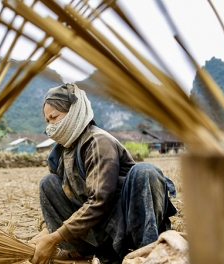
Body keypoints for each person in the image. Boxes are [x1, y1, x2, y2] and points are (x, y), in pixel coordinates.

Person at [30, 83, 177, 264]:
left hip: (125, 224)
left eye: (55, 118)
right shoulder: (59, 153)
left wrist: (53, 238)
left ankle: (145, 253)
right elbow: (54, 206)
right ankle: (80, 253)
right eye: (47, 121)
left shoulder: (98, 142)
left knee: (145, 171)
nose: (51, 126)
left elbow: (99, 202)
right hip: (97, 231)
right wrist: (46, 232)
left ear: (74, 112)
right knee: (48, 183)